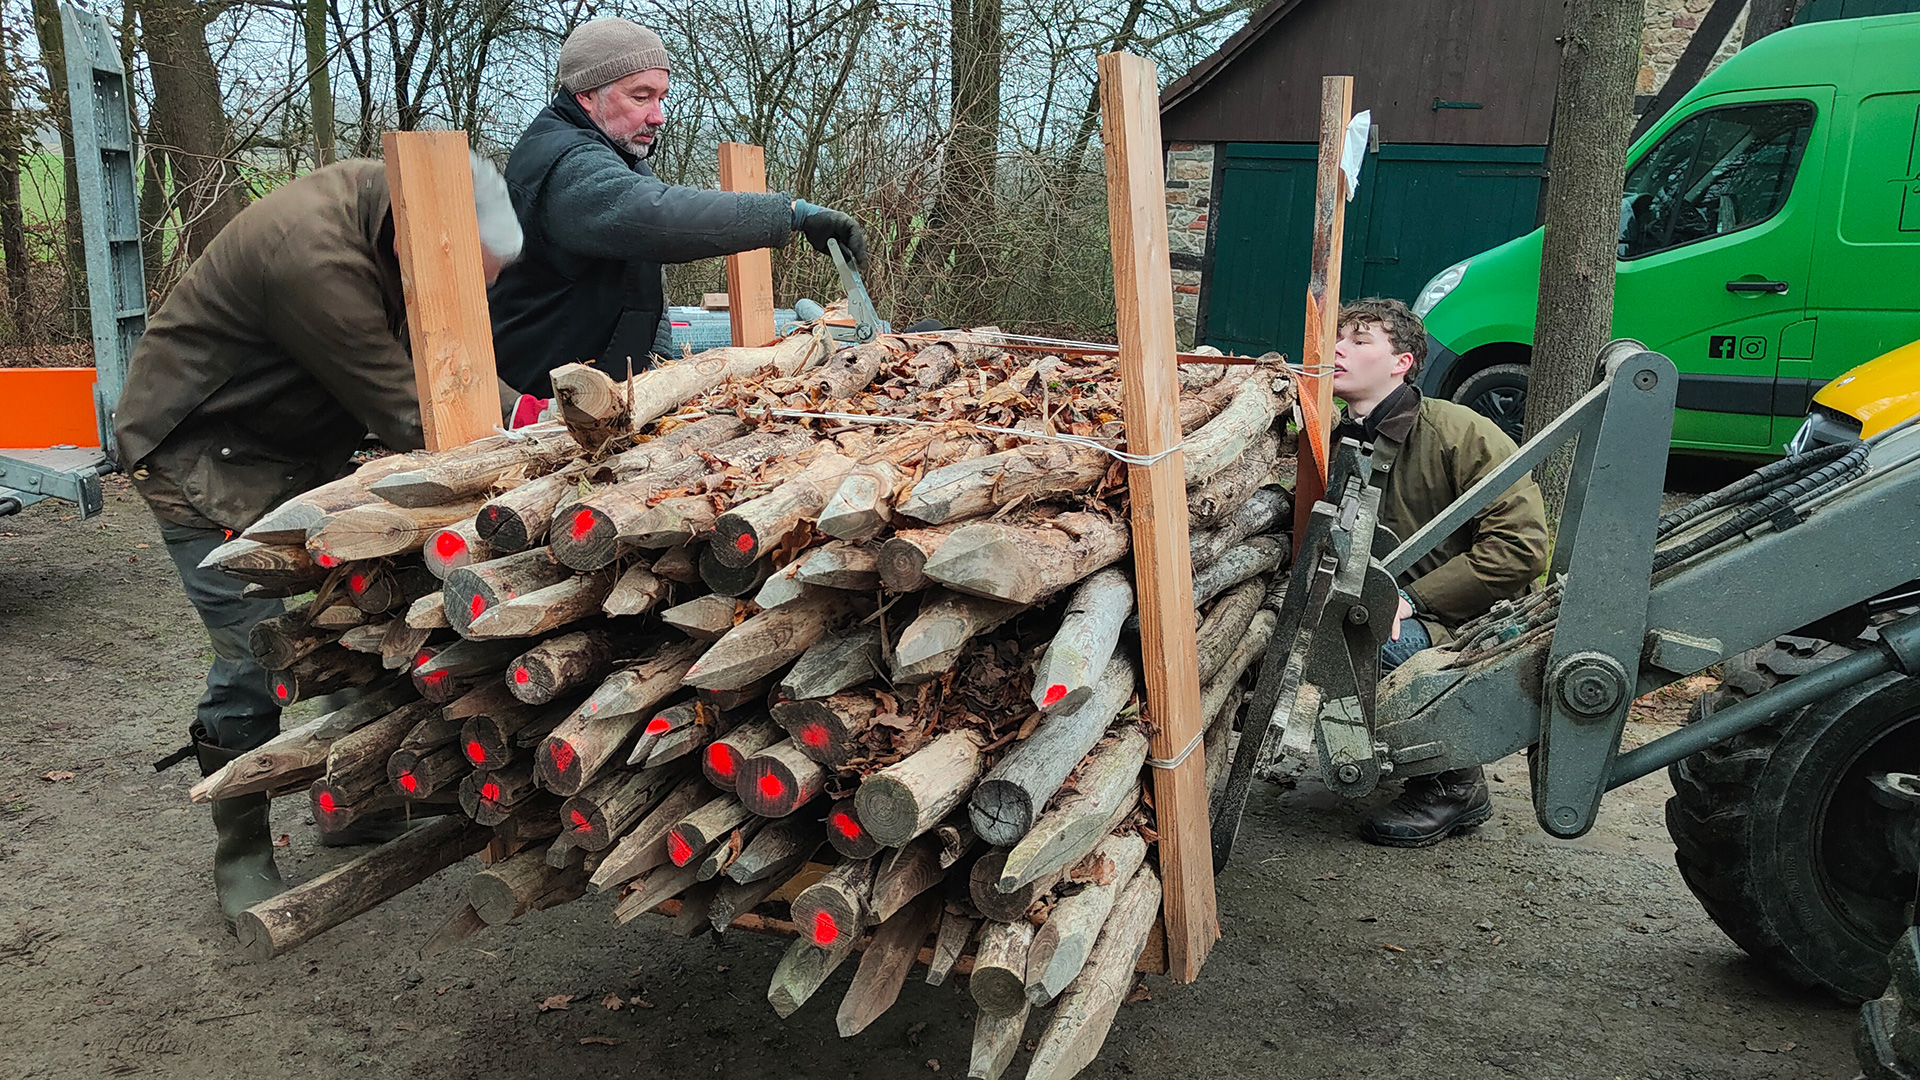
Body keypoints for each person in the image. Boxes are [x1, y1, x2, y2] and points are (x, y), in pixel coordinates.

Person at [116, 154, 527, 927]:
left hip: (293, 456)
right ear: (424, 239)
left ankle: (351, 805)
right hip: (205, 461)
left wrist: (536, 411)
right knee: (258, 652)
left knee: (345, 627)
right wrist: (531, 441)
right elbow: (411, 403)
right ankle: (240, 852)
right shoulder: (313, 255)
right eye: (479, 269)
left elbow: (446, 365)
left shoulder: (409, 218)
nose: (485, 287)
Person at [488, 17, 870, 392]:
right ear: (586, 95)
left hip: (597, 387)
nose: (658, 116)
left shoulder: (620, 151)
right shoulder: (567, 163)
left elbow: (642, 282)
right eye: (641, 97)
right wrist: (791, 215)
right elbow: (659, 217)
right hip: (545, 399)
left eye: (661, 98)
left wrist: (658, 365)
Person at [1323, 298, 1550, 848]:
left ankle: (1454, 785)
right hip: (1385, 600)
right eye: (1339, 337)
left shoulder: (1458, 431)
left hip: (1478, 619)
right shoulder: (1341, 433)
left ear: (1401, 362)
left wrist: (1413, 599)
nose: (1337, 348)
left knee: (1362, 632)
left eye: (1359, 340)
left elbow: (1521, 548)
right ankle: (1374, 753)